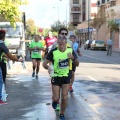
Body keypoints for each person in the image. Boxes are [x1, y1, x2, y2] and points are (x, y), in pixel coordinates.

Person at [43, 36, 79, 120]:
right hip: (56, 76)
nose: (62, 46)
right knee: (56, 98)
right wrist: (48, 68)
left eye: (63, 44)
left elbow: (77, 64)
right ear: (57, 44)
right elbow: (44, 63)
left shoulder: (70, 51)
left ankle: (62, 114)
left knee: (65, 97)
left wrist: (73, 58)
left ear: (66, 43)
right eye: (60, 44)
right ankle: (54, 101)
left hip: (66, 76)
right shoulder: (53, 51)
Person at [0, 30, 23, 105]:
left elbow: (4, 55)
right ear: (4, 37)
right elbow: (10, 56)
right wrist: (18, 59)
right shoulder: (2, 44)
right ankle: (0, 99)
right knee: (0, 81)